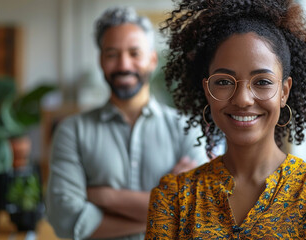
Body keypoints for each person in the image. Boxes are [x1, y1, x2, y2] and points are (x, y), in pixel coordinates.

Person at [145, 0, 306, 239]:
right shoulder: (173, 197)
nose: (243, 99)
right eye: (224, 81)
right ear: (207, 91)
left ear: (284, 92)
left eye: (263, 82)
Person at [46, 6, 208, 240]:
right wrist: (169, 209)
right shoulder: (72, 131)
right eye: (112, 54)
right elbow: (65, 219)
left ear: (152, 59)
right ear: (101, 60)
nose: (123, 65)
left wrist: (105, 198)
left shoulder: (187, 129)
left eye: (134, 53)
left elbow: (200, 212)